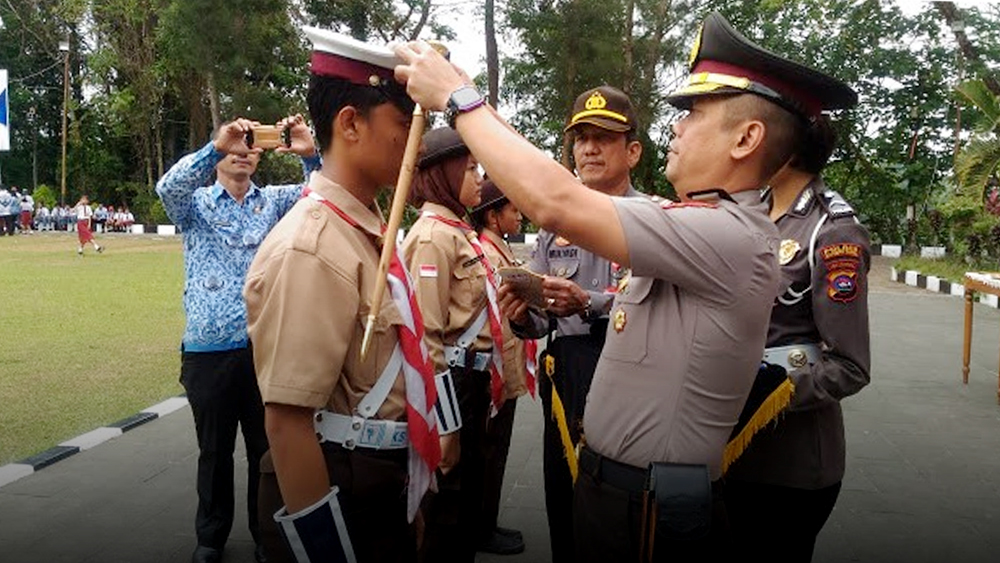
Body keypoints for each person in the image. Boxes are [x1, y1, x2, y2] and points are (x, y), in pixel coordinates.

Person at [393, 9, 857, 561]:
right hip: (619, 493)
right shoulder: (702, 224)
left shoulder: (727, 234)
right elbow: (562, 192)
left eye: (693, 113)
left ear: (746, 138)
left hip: (649, 511)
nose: (676, 128)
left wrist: (461, 98)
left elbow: (555, 201)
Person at [243, 27, 441, 563]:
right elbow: (287, 423)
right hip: (336, 486)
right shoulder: (312, 246)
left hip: (375, 481)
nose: (416, 143)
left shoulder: (366, 229)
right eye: (405, 124)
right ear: (350, 123)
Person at [156, 113, 319, 563]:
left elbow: (322, 198)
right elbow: (167, 189)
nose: (244, 151)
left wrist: (309, 154)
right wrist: (215, 144)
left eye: (251, 144)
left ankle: (265, 535)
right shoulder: (197, 205)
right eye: (237, 144)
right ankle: (210, 537)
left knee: (266, 451)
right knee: (214, 450)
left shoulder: (274, 203)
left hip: (265, 347)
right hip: (209, 350)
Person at [505, 84, 644, 563]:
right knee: (563, 493)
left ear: (633, 151)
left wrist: (591, 304)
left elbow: (658, 302)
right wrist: (525, 316)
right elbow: (544, 316)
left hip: (632, 372)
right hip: (566, 377)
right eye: (580, 137)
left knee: (622, 504)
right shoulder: (553, 226)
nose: (588, 148)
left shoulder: (655, 220)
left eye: (602, 138)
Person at [723, 114, 870, 562]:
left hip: (791, 465)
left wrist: (761, 394)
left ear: (785, 152)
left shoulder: (832, 231)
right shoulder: (750, 210)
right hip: (729, 449)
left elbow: (850, 366)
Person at [400, 126, 500, 563]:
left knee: (467, 497)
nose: (479, 177)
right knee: (447, 505)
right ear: (444, 172)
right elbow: (427, 338)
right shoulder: (432, 236)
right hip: (452, 382)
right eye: (471, 167)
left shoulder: (456, 230)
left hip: (471, 379)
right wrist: (445, 425)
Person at [469, 178, 534, 556]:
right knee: (488, 450)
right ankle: (482, 527)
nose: (519, 215)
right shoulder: (486, 254)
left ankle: (487, 521)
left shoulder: (499, 251)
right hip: (492, 370)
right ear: (493, 216)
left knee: (497, 449)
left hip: (504, 367)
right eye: (512, 209)